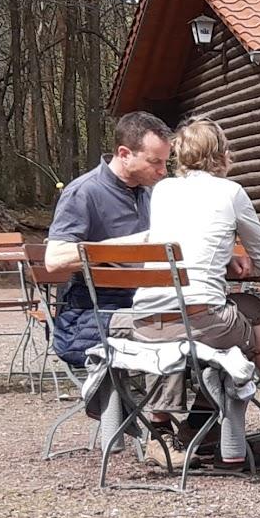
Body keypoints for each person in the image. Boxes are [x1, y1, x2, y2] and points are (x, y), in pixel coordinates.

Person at [128, 118, 260, 467]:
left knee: (243, 309)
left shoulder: (161, 191)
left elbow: (186, 242)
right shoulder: (230, 192)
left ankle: (199, 426)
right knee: (248, 323)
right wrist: (246, 259)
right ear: (221, 153)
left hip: (145, 319)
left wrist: (225, 260)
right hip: (198, 320)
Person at [45, 111, 173, 368]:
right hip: (91, 314)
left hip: (144, 305)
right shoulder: (84, 192)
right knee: (180, 337)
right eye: (155, 162)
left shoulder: (150, 194)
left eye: (166, 162)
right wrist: (127, 247)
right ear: (124, 154)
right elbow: (53, 260)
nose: (163, 171)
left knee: (212, 327)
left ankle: (182, 409)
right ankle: (127, 407)